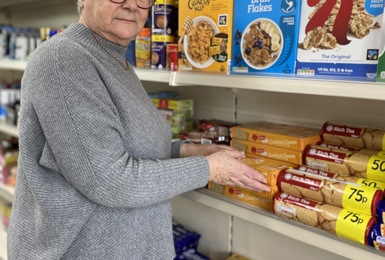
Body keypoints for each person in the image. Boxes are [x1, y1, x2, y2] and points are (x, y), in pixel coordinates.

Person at [7, 0, 270, 259]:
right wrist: (210, 169)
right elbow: (108, 180)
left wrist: (189, 151)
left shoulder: (113, 58)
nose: (133, 5)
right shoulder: (63, 58)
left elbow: (124, 146)